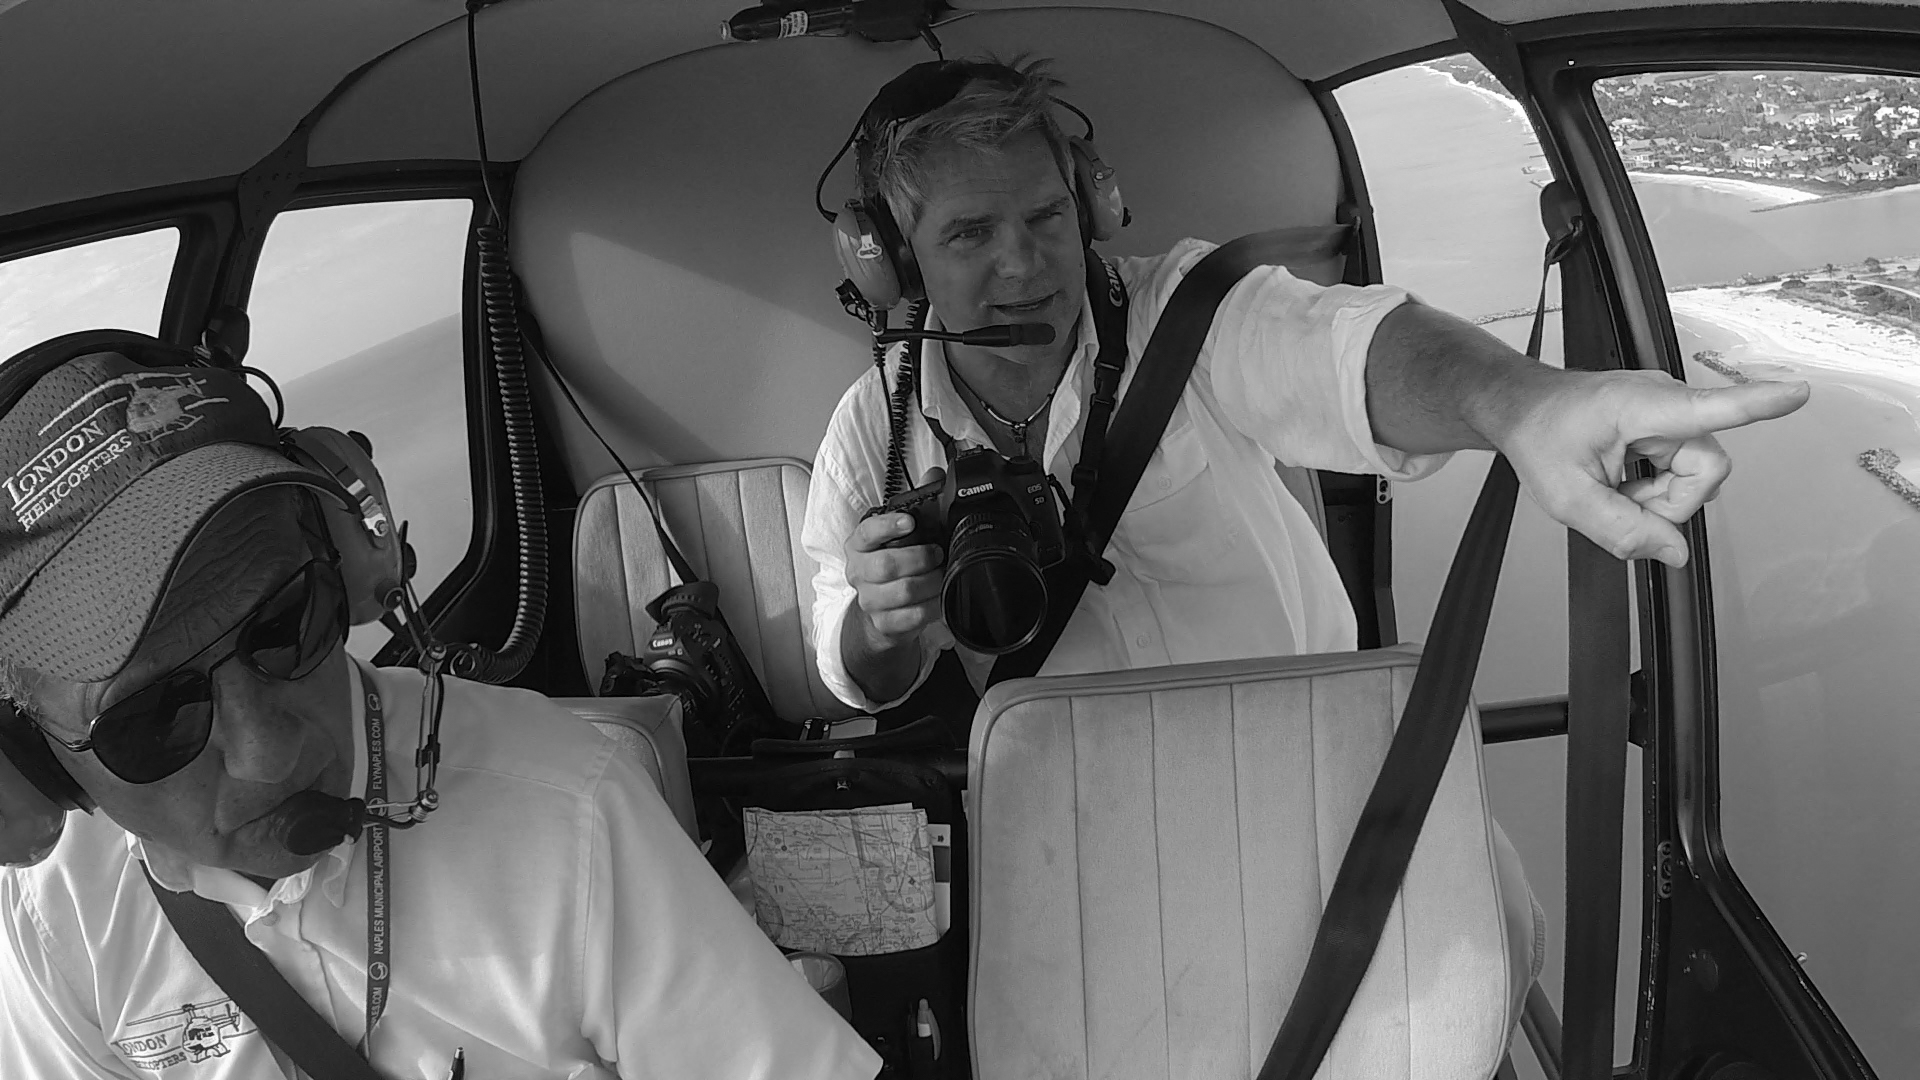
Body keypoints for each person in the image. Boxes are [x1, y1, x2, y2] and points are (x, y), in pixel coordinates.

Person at [802, 57, 1808, 709]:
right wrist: (884, 619)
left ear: (1089, 209)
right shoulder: (874, 432)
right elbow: (854, 676)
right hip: (1073, 807)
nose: (1024, 266)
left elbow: (1343, 353)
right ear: (895, 260)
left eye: (1044, 218)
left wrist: (1522, 403)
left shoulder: (1186, 313)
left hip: (1301, 749)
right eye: (971, 235)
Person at [0, 346, 880, 1079]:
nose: (269, 755)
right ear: (38, 753)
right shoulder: (57, 916)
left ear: (340, 569)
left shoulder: (567, 804)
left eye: (285, 626)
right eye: (152, 720)